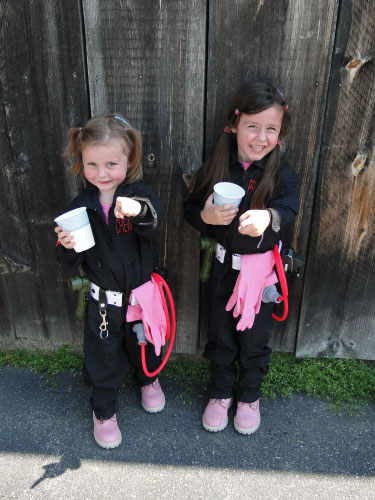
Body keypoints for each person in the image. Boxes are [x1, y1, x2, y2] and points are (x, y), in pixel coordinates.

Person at [183, 82, 299, 435]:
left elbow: (289, 208)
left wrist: (268, 218)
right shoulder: (218, 166)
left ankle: (249, 397)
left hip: (260, 275)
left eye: (271, 129)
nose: (260, 137)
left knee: (253, 338)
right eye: (252, 126)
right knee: (221, 335)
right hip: (222, 269)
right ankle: (220, 394)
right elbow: (189, 208)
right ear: (234, 126)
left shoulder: (281, 173)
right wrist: (205, 216)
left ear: (280, 134)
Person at [55, 114, 165, 449]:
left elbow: (152, 219)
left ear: (129, 160)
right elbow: (67, 260)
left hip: (141, 298)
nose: (102, 174)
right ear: (82, 162)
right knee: (104, 354)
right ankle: (103, 409)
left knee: (143, 342)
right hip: (104, 303)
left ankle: (148, 378)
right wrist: (67, 246)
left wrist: (136, 209)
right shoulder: (80, 207)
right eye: (92, 164)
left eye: (111, 164)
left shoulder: (139, 196)